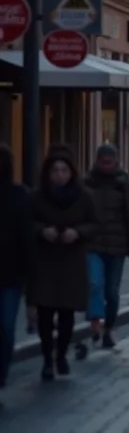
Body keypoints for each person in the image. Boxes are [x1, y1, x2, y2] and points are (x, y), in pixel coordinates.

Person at [28, 149, 97, 380]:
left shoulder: (83, 195)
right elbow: (26, 223)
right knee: (45, 314)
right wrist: (41, 230)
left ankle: (61, 355)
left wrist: (77, 232)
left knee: (67, 314)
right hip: (45, 262)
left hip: (71, 263)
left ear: (71, 172)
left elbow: (94, 224)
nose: (59, 175)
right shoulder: (37, 196)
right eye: (55, 170)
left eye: (64, 170)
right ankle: (48, 358)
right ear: (48, 173)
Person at [84, 142, 129, 349]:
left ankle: (109, 328)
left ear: (116, 162)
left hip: (117, 247)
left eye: (110, 162)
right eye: (103, 162)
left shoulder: (123, 184)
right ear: (97, 161)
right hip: (93, 245)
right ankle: (95, 325)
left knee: (112, 292)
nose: (106, 165)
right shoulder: (87, 184)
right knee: (94, 285)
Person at [0, 143, 31, 392]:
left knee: (7, 327)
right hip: (11, 274)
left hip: (10, 274)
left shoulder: (20, 196)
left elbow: (26, 238)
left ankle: (0, 377)